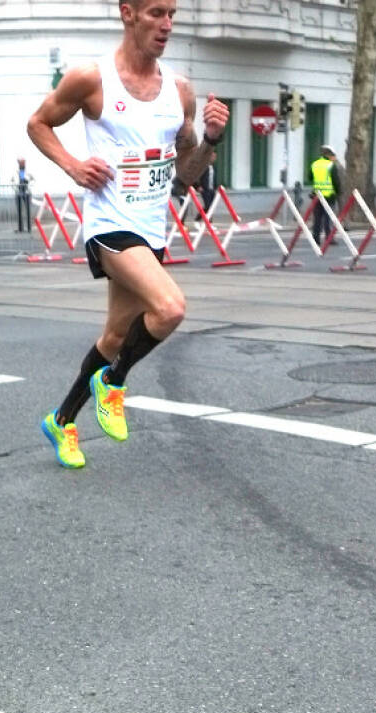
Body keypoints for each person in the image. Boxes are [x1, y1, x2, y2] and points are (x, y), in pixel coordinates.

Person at [26, 0, 229, 469]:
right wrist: (74, 166)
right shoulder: (91, 79)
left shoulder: (180, 91)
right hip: (109, 226)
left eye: (172, 14)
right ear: (128, 13)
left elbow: (186, 175)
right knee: (170, 308)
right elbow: (38, 124)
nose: (167, 24)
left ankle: (61, 419)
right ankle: (113, 383)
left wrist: (212, 141)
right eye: (156, 12)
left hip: (150, 230)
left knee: (117, 334)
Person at [310, 145, 341, 246]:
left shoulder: (314, 164)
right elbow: (336, 181)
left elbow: (310, 177)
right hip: (329, 195)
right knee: (329, 218)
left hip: (316, 195)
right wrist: (338, 192)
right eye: (333, 155)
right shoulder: (331, 166)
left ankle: (316, 238)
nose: (334, 157)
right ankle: (329, 238)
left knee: (317, 218)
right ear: (329, 155)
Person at [13, 156, 33, 232]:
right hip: (18, 192)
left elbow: (33, 180)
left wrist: (29, 185)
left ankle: (28, 227)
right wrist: (15, 187)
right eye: (20, 162)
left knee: (27, 210)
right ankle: (20, 228)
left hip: (26, 192)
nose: (21, 164)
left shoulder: (28, 172)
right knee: (19, 210)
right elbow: (12, 181)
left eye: (22, 162)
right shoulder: (16, 172)